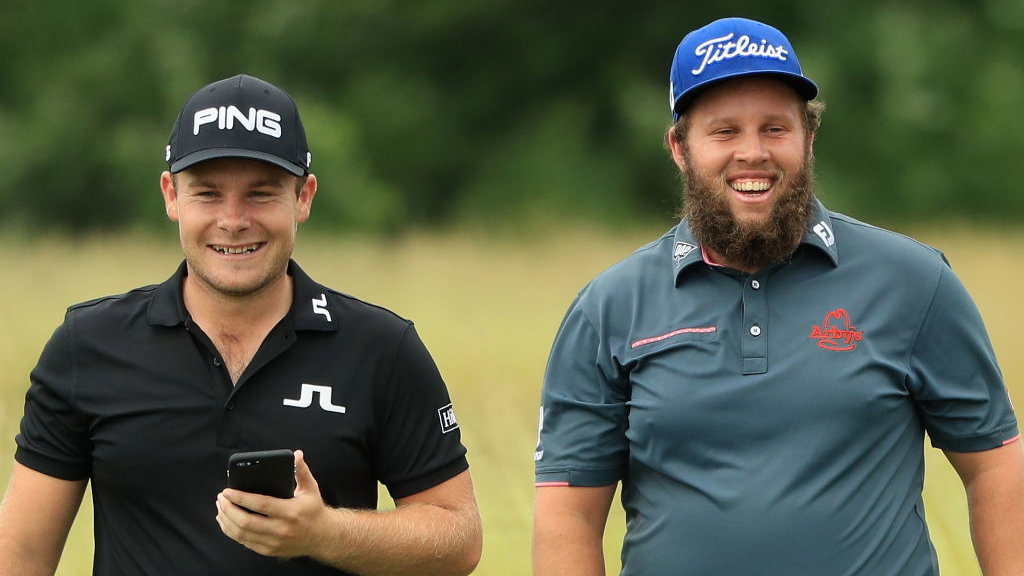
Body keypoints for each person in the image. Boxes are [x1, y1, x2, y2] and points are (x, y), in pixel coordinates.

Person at [532, 17, 1024, 576]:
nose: (753, 153)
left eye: (775, 128)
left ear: (808, 138)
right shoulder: (608, 308)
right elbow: (568, 514)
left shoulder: (914, 282)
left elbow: (994, 468)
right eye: (724, 132)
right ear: (679, 147)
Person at [0, 74, 482, 575]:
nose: (233, 220)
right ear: (171, 196)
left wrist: (327, 533)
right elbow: (20, 556)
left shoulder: (382, 348)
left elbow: (459, 536)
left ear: (303, 197)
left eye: (260, 194)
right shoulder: (89, 346)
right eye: (207, 194)